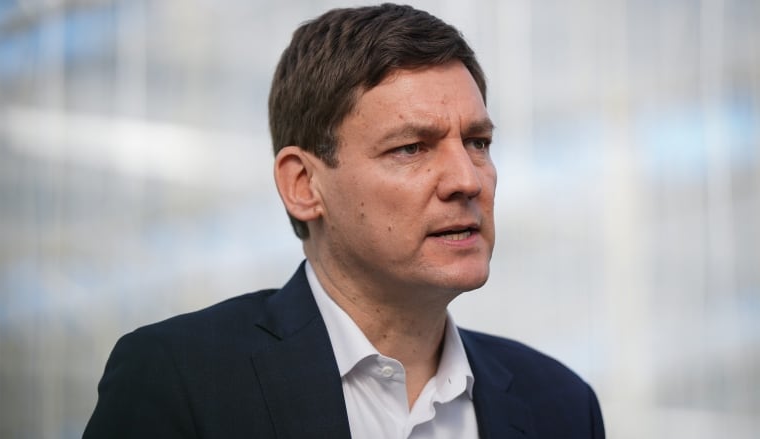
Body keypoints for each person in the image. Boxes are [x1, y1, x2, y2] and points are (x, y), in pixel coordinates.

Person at [84, 4, 604, 438]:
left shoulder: (560, 406)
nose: (467, 180)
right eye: (411, 148)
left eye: (478, 142)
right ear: (303, 186)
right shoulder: (182, 381)